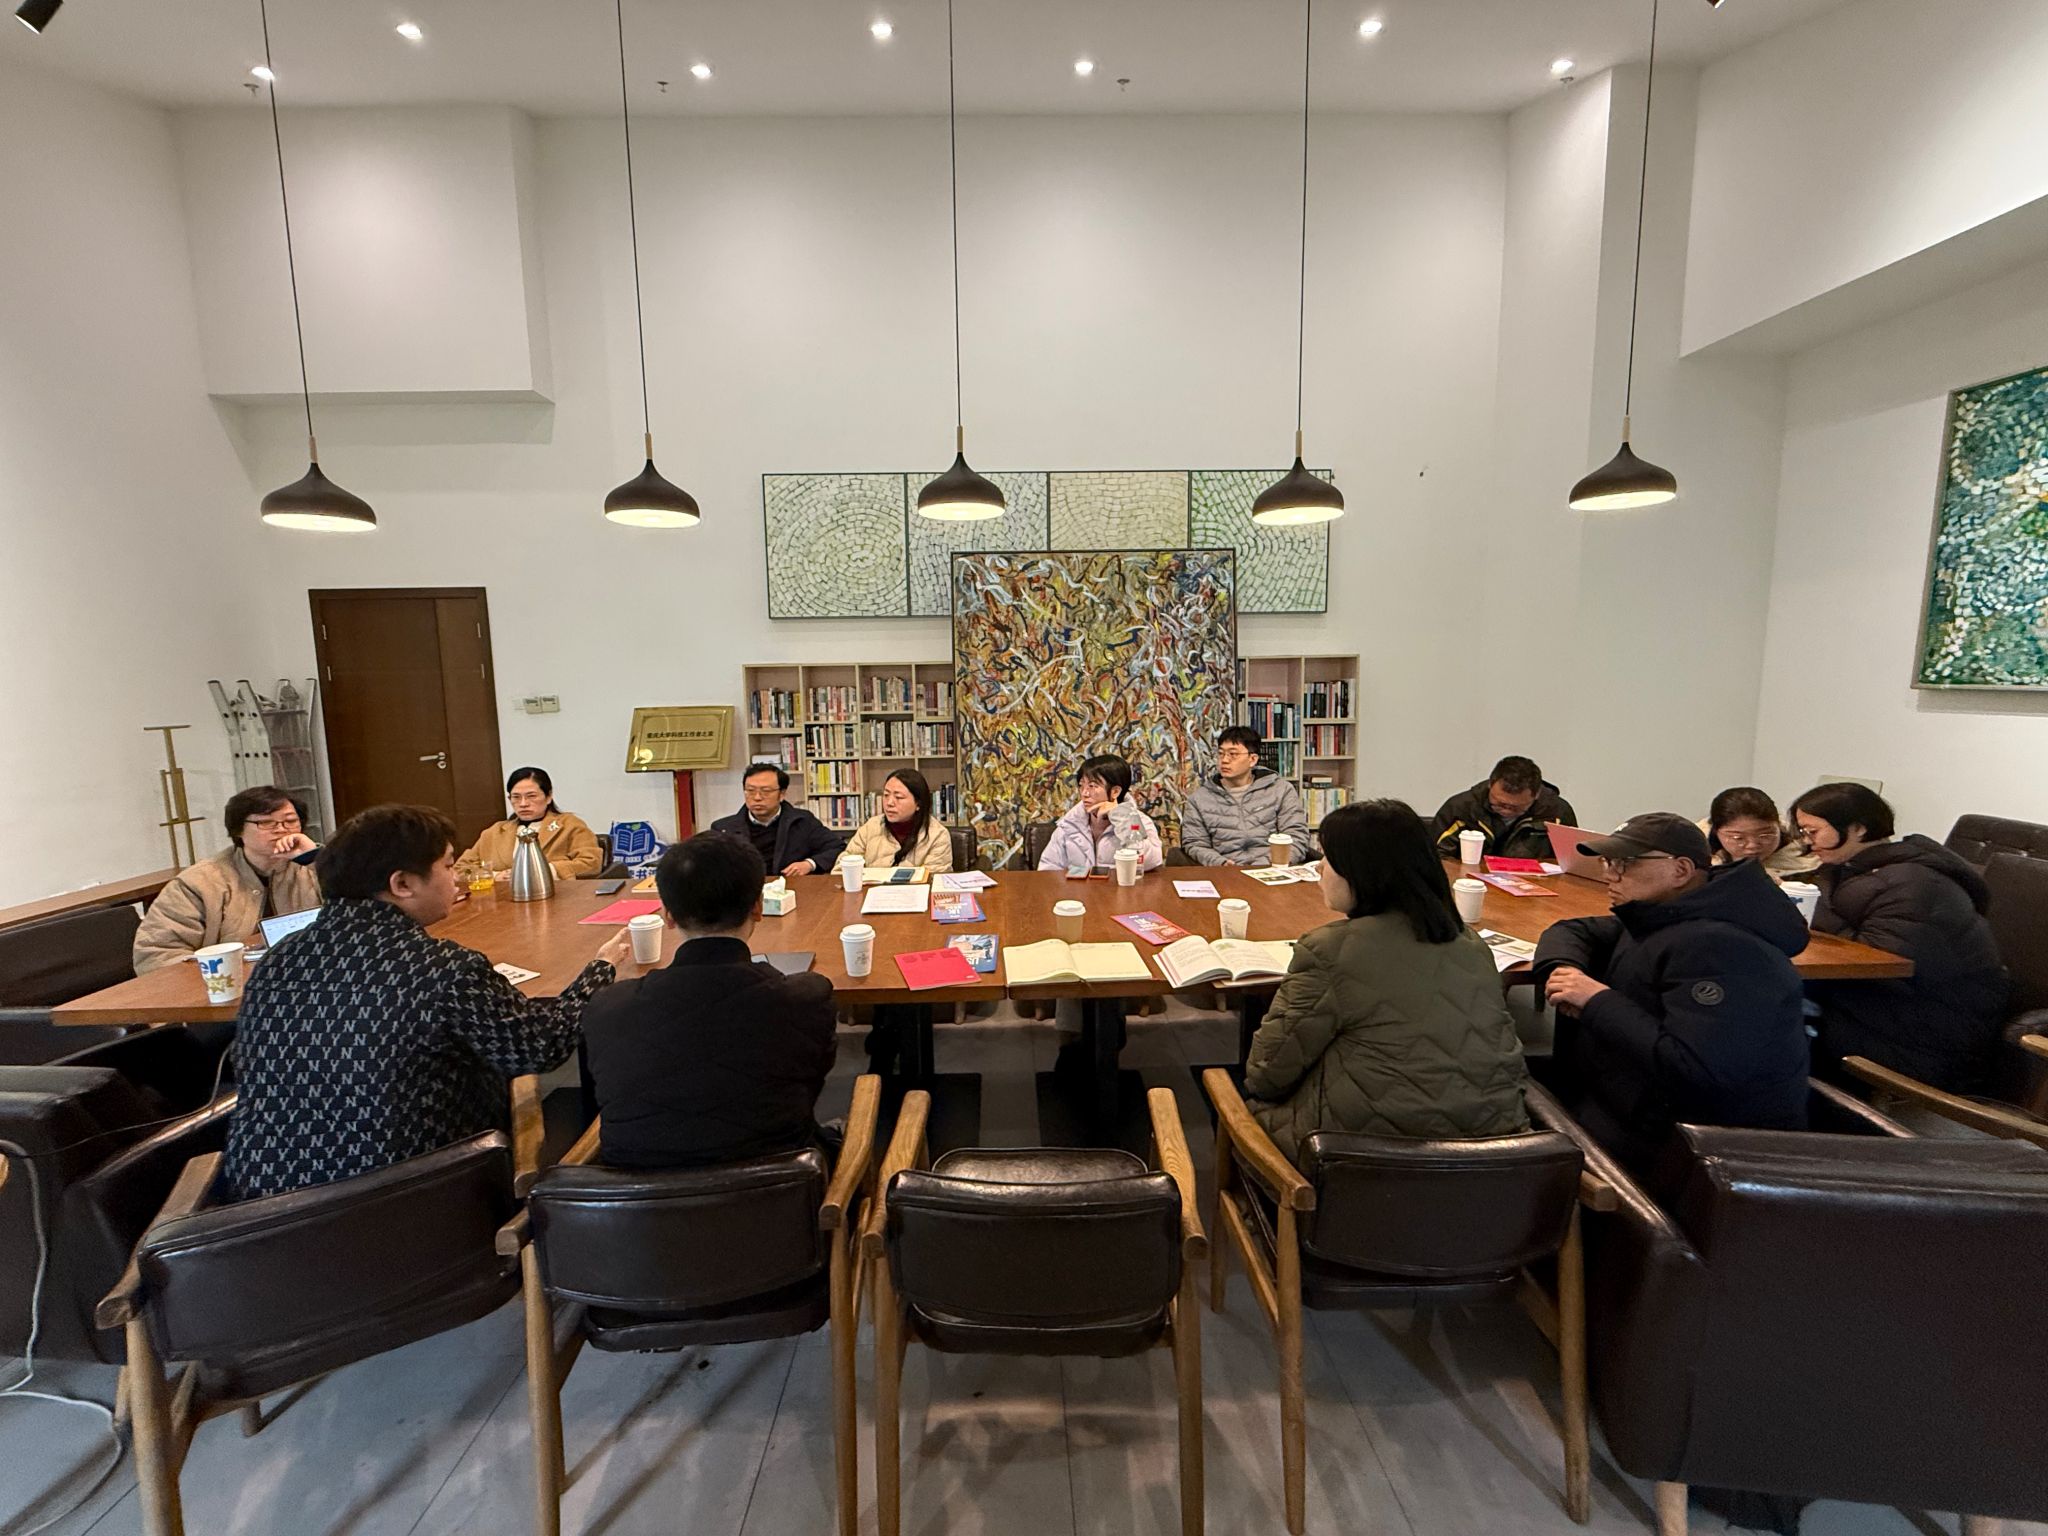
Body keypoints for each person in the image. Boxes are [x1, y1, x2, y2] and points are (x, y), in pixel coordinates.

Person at [221, 804, 631, 1201]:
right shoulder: (444, 968)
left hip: (262, 1213)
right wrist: (601, 969)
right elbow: (541, 1046)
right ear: (402, 884)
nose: (456, 880)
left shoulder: (279, 958)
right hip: (412, 1202)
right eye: (449, 867)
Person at [1242, 800, 1529, 1166]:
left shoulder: (1329, 950)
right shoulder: (1472, 944)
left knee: (1246, 1101)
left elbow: (1266, 1075)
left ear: (1363, 872)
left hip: (1367, 1161)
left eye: (1328, 858)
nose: (1319, 868)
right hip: (1499, 1161)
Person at [1534, 813, 1811, 1178]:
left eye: (1624, 864)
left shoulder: (1721, 947)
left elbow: (1697, 1068)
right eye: (1607, 862)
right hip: (1627, 1103)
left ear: (1681, 870)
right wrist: (1565, 969)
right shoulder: (1664, 914)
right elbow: (1575, 930)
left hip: (1696, 1149)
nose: (1610, 875)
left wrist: (1596, 999)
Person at [581, 833, 838, 1167]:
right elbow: (808, 1085)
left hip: (634, 1195)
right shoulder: (806, 999)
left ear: (667, 915)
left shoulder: (607, 1008)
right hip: (776, 1191)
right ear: (758, 907)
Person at [1789, 783, 2007, 1092]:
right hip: (1879, 1009)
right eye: (1803, 832)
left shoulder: (1917, 884)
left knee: (1766, 1026)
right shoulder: (1850, 870)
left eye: (1813, 832)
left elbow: (1878, 966)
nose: (1807, 843)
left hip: (1924, 1031)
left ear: (1858, 828)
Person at [133, 786, 323, 972]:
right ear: (238, 829)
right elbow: (156, 955)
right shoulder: (198, 883)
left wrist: (315, 859)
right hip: (226, 980)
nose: (281, 829)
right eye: (266, 823)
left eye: (290, 821)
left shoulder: (313, 867)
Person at [1180, 726, 1314, 866]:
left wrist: (1266, 865)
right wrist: (1220, 863)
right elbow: (1195, 843)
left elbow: (1296, 836)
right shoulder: (1199, 799)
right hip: (1226, 871)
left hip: (1273, 868)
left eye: (1233, 754)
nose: (1224, 760)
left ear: (1252, 759)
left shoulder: (1281, 790)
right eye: (1221, 753)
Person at [458, 766, 603, 880]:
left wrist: (546, 871)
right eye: (516, 797)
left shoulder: (569, 825)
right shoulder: (495, 832)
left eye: (531, 796)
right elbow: (460, 869)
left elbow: (592, 863)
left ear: (548, 797)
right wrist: (495, 876)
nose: (523, 804)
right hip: (502, 900)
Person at [710, 762, 847, 879]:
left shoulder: (803, 821)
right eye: (750, 791)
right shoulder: (723, 829)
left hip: (792, 890)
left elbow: (837, 848)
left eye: (766, 791)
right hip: (744, 894)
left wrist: (809, 864)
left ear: (782, 794)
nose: (757, 797)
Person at [1432, 755, 1577, 862]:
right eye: (1499, 804)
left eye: (1516, 808)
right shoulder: (1461, 809)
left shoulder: (1556, 813)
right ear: (1490, 785)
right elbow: (1436, 858)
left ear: (1536, 794)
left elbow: (1571, 863)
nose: (1506, 811)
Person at [1037, 753, 1163, 872]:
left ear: (1115, 792)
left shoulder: (1140, 821)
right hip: (1077, 888)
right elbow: (1047, 869)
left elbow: (1152, 861)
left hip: (1120, 887)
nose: (1084, 793)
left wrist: (1122, 818)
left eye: (1092, 786)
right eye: (1081, 785)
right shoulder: (1069, 824)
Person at [839, 768, 953, 872]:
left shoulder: (937, 835)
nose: (889, 803)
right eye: (886, 795)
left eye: (899, 797)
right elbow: (841, 870)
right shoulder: (870, 827)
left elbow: (934, 880)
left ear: (918, 803)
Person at [1702, 786, 1816, 877]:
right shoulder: (1698, 860)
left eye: (1764, 835)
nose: (1752, 845)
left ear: (1779, 827)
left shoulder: (1810, 854)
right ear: (1716, 832)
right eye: (1738, 838)